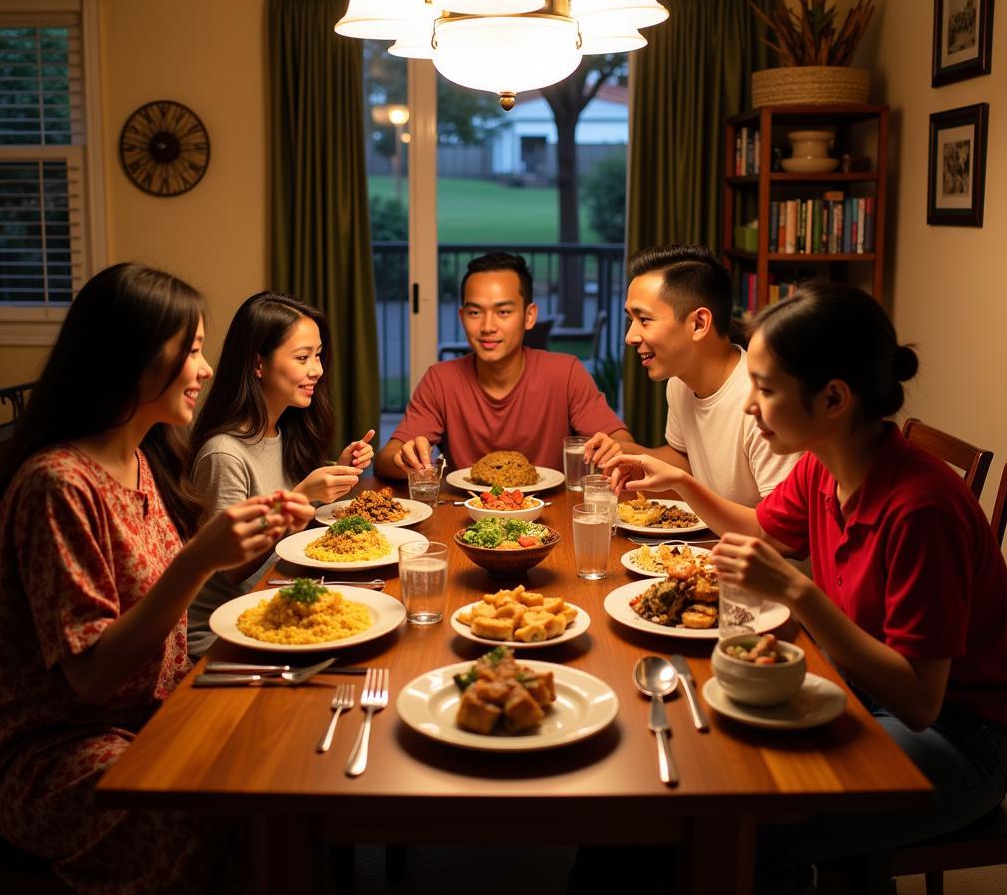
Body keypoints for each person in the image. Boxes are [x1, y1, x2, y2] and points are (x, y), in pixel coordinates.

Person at [607, 283, 1007, 892]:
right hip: (861, 692)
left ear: (833, 399)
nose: (748, 406)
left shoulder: (922, 509)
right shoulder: (828, 462)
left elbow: (921, 702)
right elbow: (757, 527)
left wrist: (799, 593)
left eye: (765, 389)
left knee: (756, 826)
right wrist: (680, 483)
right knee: (697, 764)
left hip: (959, 738)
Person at [0, 264, 315, 894]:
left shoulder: (140, 457)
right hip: (59, 754)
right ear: (132, 360)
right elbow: (93, 677)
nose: (207, 368)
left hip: (156, 713)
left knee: (288, 758)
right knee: (225, 816)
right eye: (191, 350)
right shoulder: (57, 484)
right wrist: (199, 561)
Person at [186, 291, 375, 656]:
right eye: (303, 357)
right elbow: (226, 570)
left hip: (276, 601)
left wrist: (337, 470)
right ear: (259, 364)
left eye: (318, 355)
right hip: (223, 635)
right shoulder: (223, 454)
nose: (317, 369)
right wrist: (301, 498)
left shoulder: (283, 430)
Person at [375, 251, 631, 477]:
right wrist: (405, 459)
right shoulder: (441, 379)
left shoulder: (565, 373)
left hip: (551, 519)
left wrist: (613, 448)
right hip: (464, 518)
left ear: (529, 316)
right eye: (475, 313)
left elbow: (622, 442)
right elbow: (386, 459)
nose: (488, 327)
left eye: (503, 312)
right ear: (462, 317)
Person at [586, 244, 798, 505]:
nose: (630, 337)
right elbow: (685, 459)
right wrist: (628, 454)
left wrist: (684, 485)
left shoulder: (761, 403)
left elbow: (782, 534)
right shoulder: (679, 382)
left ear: (698, 324)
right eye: (631, 320)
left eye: (645, 320)